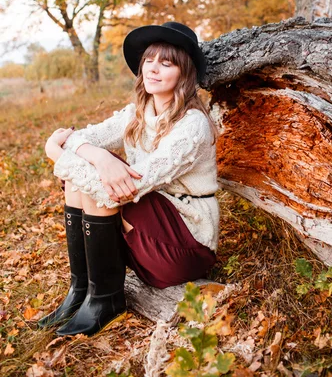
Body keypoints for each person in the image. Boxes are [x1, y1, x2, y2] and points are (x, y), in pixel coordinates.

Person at [39, 21, 220, 337]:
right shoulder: (139, 112)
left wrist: (57, 152)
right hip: (153, 226)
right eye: (149, 60)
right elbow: (83, 138)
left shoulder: (192, 126)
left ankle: (106, 300)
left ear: (184, 72)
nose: (152, 69)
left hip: (188, 244)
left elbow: (118, 192)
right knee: (88, 172)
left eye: (166, 63)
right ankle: (82, 290)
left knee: (98, 185)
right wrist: (98, 156)